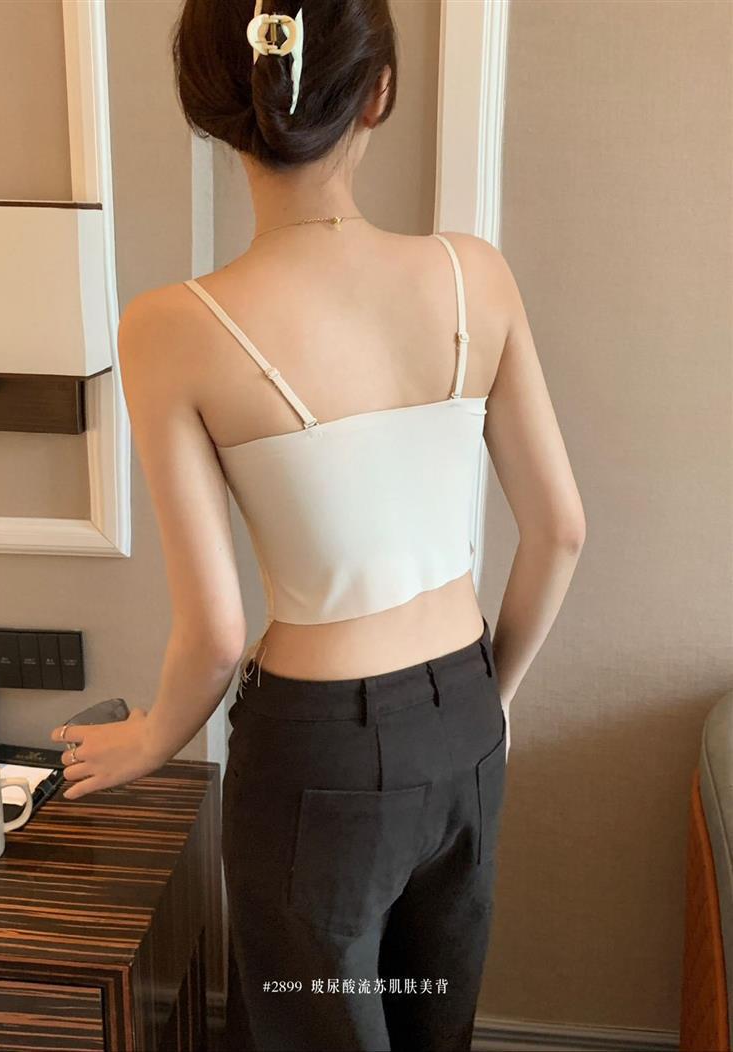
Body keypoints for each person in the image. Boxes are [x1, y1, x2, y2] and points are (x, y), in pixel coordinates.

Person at [51, 1, 586, 1049]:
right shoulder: (475, 274)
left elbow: (214, 634)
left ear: (209, 105)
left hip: (315, 757)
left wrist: (151, 738)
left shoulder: (170, 327)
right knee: (436, 1027)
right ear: (378, 91)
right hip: (465, 721)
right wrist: (484, 707)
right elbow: (559, 530)